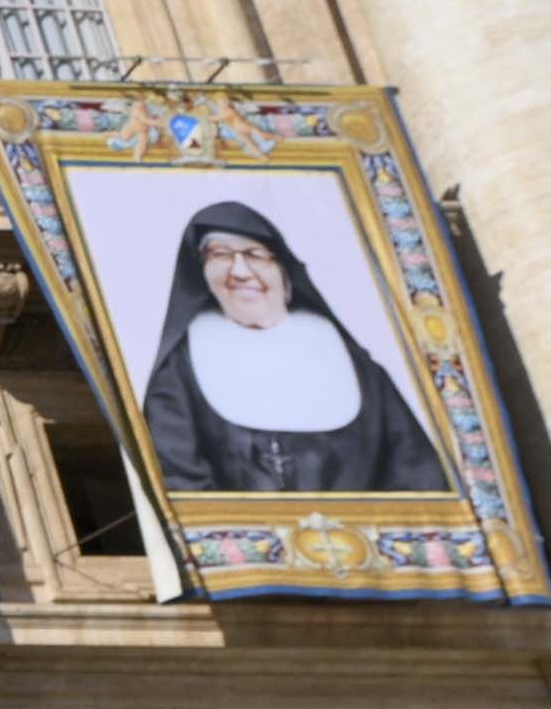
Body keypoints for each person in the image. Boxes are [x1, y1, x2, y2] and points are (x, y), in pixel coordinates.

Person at [131, 197, 443, 496]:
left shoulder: (349, 359)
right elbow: (176, 473)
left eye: (254, 254)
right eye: (220, 255)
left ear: (284, 269)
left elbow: (415, 469)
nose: (239, 271)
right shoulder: (180, 367)